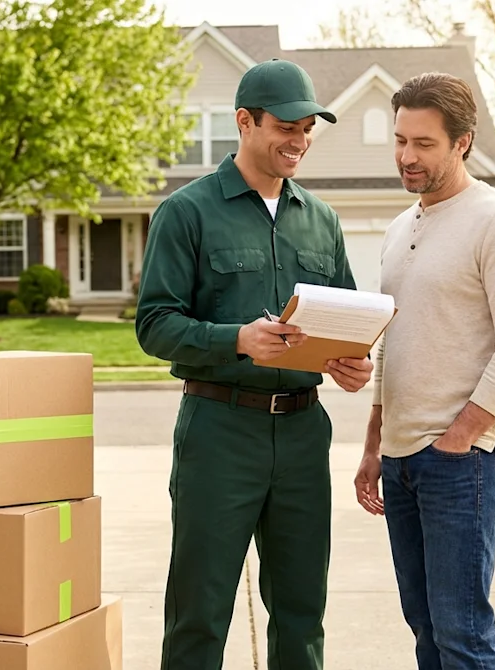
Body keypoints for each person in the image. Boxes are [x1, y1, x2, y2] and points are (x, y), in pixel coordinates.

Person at [136, 58, 374, 670]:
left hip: (301, 433)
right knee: (200, 609)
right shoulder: (186, 212)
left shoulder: (321, 220)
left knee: (301, 610)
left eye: (307, 129)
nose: (299, 141)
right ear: (245, 122)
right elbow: (154, 324)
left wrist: (352, 364)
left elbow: (346, 320)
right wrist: (236, 339)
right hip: (220, 432)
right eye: (286, 127)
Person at [353, 72, 495, 669]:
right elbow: (394, 344)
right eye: (400, 140)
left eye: (424, 144)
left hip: (465, 464)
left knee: (461, 633)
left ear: (463, 142)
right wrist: (373, 444)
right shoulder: (398, 228)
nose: (406, 156)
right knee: (426, 628)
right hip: (403, 458)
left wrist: (457, 439)